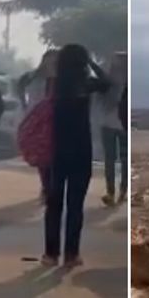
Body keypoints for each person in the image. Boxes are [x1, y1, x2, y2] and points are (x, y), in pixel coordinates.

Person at [43, 44, 111, 268]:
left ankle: (50, 254)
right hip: (81, 148)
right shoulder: (86, 84)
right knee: (75, 204)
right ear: (83, 62)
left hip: (57, 148)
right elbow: (106, 83)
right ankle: (71, 254)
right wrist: (92, 62)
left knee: (54, 203)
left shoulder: (54, 84)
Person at [18, 49, 60, 202]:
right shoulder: (32, 77)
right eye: (49, 60)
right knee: (40, 154)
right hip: (34, 118)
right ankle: (46, 186)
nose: (51, 63)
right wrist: (23, 103)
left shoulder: (59, 79)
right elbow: (20, 86)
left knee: (50, 154)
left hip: (51, 120)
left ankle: (49, 188)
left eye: (54, 61)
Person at [94, 51, 128, 206]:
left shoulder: (124, 83)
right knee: (111, 159)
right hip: (108, 124)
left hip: (121, 126)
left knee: (122, 159)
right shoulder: (106, 82)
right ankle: (111, 192)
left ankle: (122, 191)